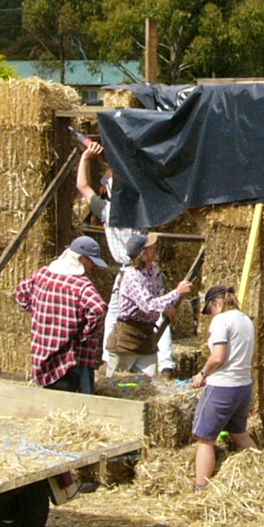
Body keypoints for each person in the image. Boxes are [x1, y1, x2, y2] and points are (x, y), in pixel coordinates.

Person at [76, 140, 177, 378]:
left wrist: (87, 158)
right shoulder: (142, 205)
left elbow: (82, 185)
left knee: (115, 314)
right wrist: (107, 160)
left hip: (128, 269)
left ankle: (106, 360)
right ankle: (166, 364)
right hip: (148, 268)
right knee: (160, 310)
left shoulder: (108, 210)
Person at [15, 236, 108, 394]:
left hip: (43, 352)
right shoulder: (80, 286)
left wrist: (38, 311)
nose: (93, 266)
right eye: (91, 261)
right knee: (80, 405)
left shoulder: (42, 275)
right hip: (73, 358)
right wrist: (85, 333)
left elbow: (21, 293)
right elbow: (99, 309)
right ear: (80, 259)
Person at [190, 284, 259, 490]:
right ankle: (262, 471)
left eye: (210, 309)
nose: (210, 314)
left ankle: (200, 488)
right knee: (240, 434)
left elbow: (218, 357)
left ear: (216, 302)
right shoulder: (246, 320)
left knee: (205, 439)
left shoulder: (222, 320)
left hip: (222, 386)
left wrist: (202, 374)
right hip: (243, 385)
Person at [107, 233, 193, 377]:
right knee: (114, 383)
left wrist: (166, 307)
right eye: (152, 248)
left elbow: (155, 295)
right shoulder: (132, 277)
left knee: (150, 382)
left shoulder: (153, 271)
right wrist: (177, 292)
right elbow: (148, 305)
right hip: (127, 338)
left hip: (147, 338)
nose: (156, 248)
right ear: (143, 254)